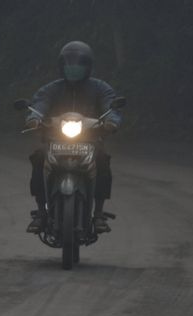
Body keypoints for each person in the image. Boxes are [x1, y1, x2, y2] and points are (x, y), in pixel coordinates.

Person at [25, 41, 122, 234]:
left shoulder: (100, 88)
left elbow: (111, 107)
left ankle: (99, 214)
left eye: (79, 62)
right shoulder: (52, 89)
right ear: (61, 65)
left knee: (102, 162)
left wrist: (111, 122)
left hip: (91, 141)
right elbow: (39, 104)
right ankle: (41, 211)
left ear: (88, 65)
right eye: (69, 62)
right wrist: (34, 119)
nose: (73, 67)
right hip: (56, 141)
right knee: (38, 159)